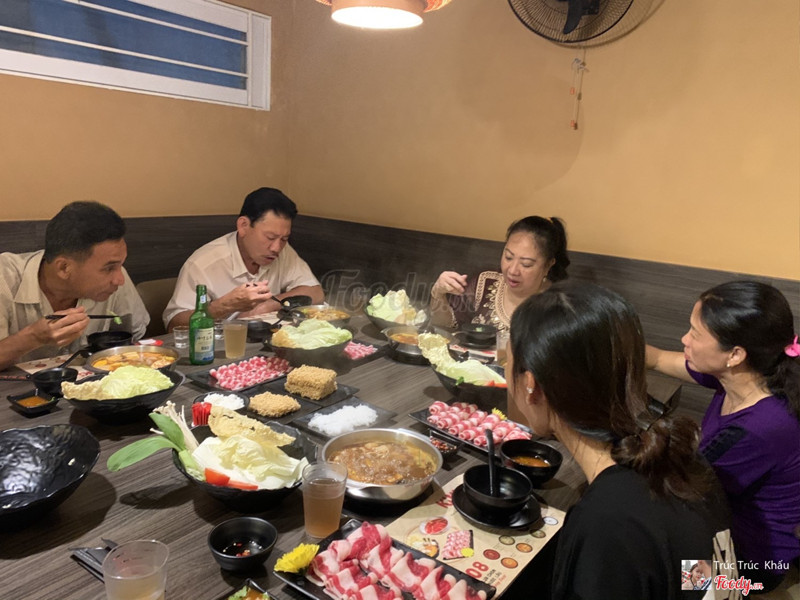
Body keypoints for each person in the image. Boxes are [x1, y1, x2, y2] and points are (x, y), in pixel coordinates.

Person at [508, 282, 728, 600]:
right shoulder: (683, 455)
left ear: (531, 385)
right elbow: (702, 579)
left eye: (509, 363)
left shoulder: (608, 523)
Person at [646, 281, 800, 593]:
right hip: (721, 522)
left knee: (658, 576)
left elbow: (684, 488)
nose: (684, 339)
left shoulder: (760, 427)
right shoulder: (745, 376)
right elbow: (658, 358)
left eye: (695, 333)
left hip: (754, 563)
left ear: (735, 354)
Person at [0, 201, 149, 371]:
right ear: (64, 268)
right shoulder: (5, 278)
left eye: (120, 265)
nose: (120, 279)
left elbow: (138, 340)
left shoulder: (115, 280)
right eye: (109, 268)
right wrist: (34, 337)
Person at [163, 188, 324, 331]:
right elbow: (174, 326)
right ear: (243, 226)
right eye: (270, 237)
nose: (276, 248)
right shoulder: (203, 264)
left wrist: (266, 306)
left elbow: (315, 292)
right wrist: (225, 306)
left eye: (284, 239)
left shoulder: (283, 251)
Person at [430, 216, 569, 331]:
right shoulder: (485, 282)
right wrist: (438, 293)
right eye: (508, 257)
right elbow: (445, 328)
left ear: (548, 264)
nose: (512, 270)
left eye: (526, 264)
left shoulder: (560, 306)